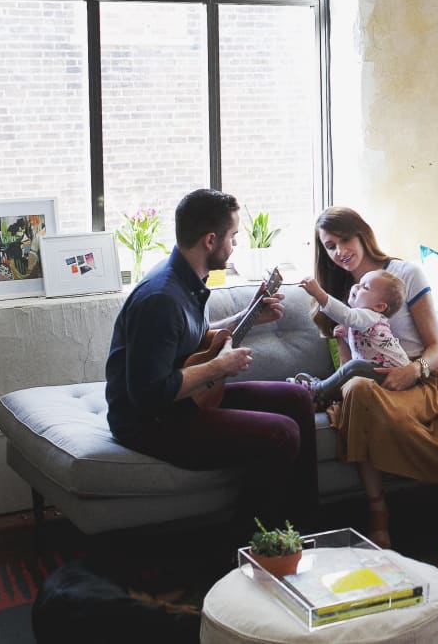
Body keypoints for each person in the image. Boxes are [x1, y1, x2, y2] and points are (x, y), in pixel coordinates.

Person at [104, 188, 318, 533]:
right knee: (282, 433)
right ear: (210, 240)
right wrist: (221, 366)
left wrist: (250, 316)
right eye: (232, 236)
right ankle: (250, 545)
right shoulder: (161, 298)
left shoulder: (188, 279)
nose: (235, 245)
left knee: (296, 398)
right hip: (150, 421)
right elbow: (149, 393)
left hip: (185, 400)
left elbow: (196, 339)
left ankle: (303, 527)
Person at [310, 206, 438, 555]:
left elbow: (436, 348)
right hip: (363, 380)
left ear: (362, 234)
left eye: (345, 239)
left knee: (375, 408)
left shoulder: (404, 274)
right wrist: (344, 355)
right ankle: (379, 508)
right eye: (330, 246)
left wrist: (413, 371)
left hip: (417, 377)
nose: (340, 251)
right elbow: (349, 363)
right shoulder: (340, 293)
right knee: (358, 393)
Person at [291, 270, 409, 408]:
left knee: (354, 367)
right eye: (359, 283)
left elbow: (346, 315)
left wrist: (319, 294)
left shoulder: (369, 315)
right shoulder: (367, 320)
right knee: (353, 370)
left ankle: (318, 390)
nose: (356, 286)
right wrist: (347, 337)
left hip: (391, 373)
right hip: (380, 370)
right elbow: (365, 346)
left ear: (379, 306)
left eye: (365, 287)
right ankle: (325, 397)